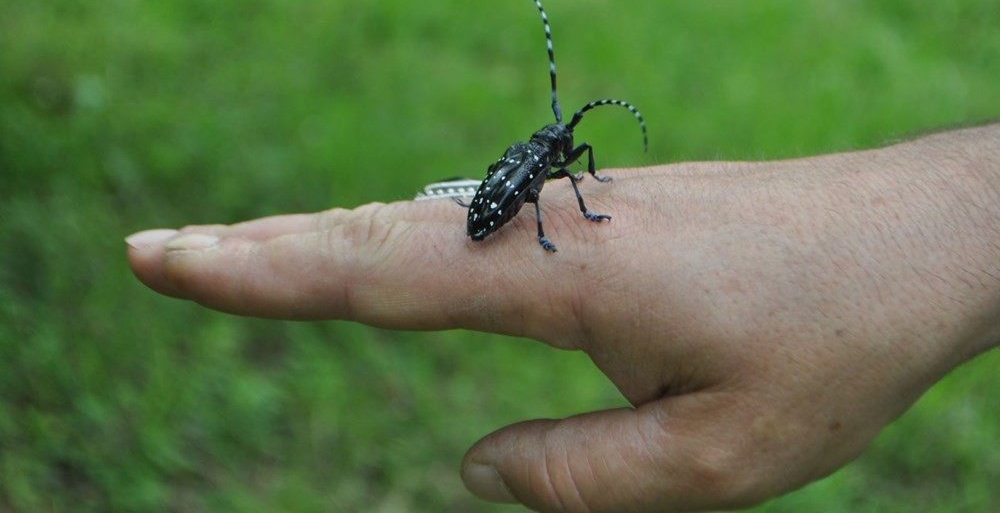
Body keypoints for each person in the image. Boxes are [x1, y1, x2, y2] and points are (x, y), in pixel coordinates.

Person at [126, 123, 1000, 512]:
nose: (565, 153)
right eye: (562, 147)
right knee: (527, 200)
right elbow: (538, 187)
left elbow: (558, 174)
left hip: (497, 204)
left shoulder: (548, 159)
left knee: (529, 195)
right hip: (495, 211)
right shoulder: (539, 174)